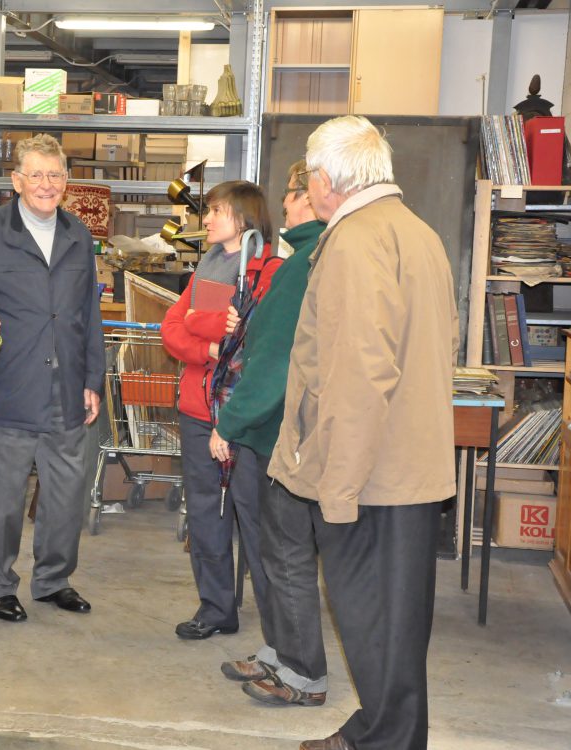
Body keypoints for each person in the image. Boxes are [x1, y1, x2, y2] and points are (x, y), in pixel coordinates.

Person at [266, 116, 457, 750]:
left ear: (325, 180)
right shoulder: (416, 231)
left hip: (369, 472)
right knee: (396, 625)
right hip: (409, 464)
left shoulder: (354, 240)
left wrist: (337, 489)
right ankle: (382, 731)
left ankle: (386, 739)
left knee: (373, 620)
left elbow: (357, 372)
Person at [0, 133, 104, 623]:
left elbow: (88, 313)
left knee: (65, 495)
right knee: (2, 501)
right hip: (8, 389)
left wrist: (93, 379)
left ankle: (53, 579)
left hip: (65, 389)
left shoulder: (77, 235)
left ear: (66, 181)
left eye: (55, 175)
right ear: (16, 180)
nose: (47, 184)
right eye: (37, 174)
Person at [209, 162, 329, 706]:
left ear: (316, 197)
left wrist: (228, 422)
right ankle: (281, 651)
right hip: (276, 433)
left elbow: (275, 361)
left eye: (294, 194)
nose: (286, 204)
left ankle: (303, 673)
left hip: (278, 434)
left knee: (286, 557)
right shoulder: (301, 260)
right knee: (271, 551)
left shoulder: (305, 264)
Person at [160, 181, 282, 640]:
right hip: (196, 409)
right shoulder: (207, 267)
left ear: (245, 218)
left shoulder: (268, 271)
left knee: (254, 517)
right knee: (207, 515)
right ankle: (215, 609)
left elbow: (252, 341)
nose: (206, 219)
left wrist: (200, 325)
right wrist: (209, 334)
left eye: (216, 211)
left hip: (245, 417)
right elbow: (172, 328)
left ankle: (279, 621)